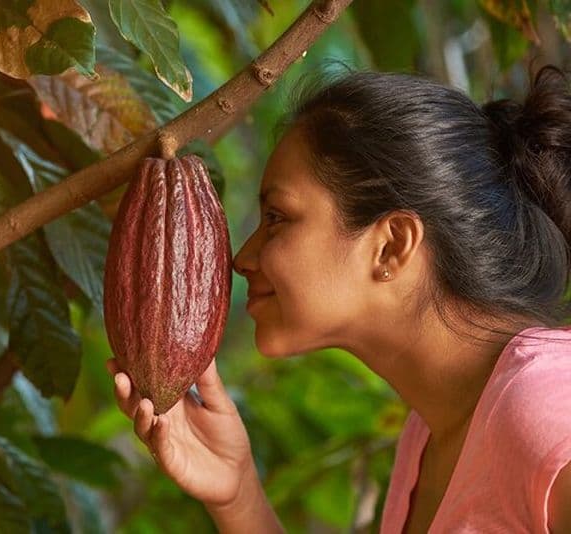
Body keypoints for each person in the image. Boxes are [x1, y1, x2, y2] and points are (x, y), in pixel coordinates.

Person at [105, 65, 571, 533]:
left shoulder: (544, 410)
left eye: (277, 217)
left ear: (391, 245)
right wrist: (238, 493)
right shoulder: (428, 438)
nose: (241, 259)